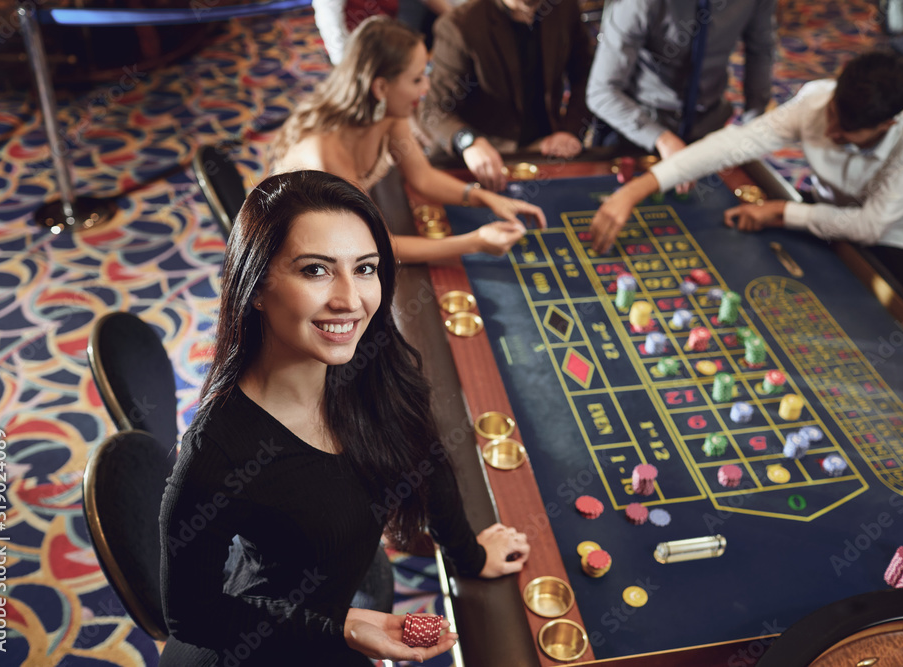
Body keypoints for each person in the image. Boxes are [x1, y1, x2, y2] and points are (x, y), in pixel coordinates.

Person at [159, 170, 531, 666]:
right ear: (256, 286)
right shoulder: (219, 449)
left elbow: (423, 453)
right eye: (315, 270)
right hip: (255, 647)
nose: (350, 300)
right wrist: (344, 627)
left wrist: (469, 554)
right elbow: (191, 615)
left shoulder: (368, 363)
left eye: (365, 268)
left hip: (336, 613)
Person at [590, 50, 903, 289]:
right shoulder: (817, 101)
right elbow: (732, 144)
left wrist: (781, 211)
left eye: (844, 133)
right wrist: (635, 189)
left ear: (886, 125)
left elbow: (871, 226)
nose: (829, 132)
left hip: (898, 242)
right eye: (832, 116)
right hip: (825, 209)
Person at [270, 17, 547, 264]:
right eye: (416, 80)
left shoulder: (388, 113)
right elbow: (375, 246)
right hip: (291, 248)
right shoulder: (327, 152)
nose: (426, 88)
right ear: (380, 87)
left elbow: (423, 177)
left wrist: (487, 198)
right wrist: (475, 243)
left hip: (335, 234)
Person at [419, 0, 593, 191]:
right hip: (481, 157)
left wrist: (570, 131)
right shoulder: (459, 25)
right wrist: (469, 142)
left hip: (545, 149)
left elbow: (585, 75)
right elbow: (434, 110)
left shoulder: (563, 7)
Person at [586, 0, 777, 160]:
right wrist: (660, 138)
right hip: (641, 124)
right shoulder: (638, 3)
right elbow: (601, 91)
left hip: (709, 121)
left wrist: (754, 120)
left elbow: (760, 52)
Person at [314, 0, 457, 65]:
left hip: (388, 26)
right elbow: (329, 18)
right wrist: (343, 61)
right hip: (355, 43)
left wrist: (458, 19)